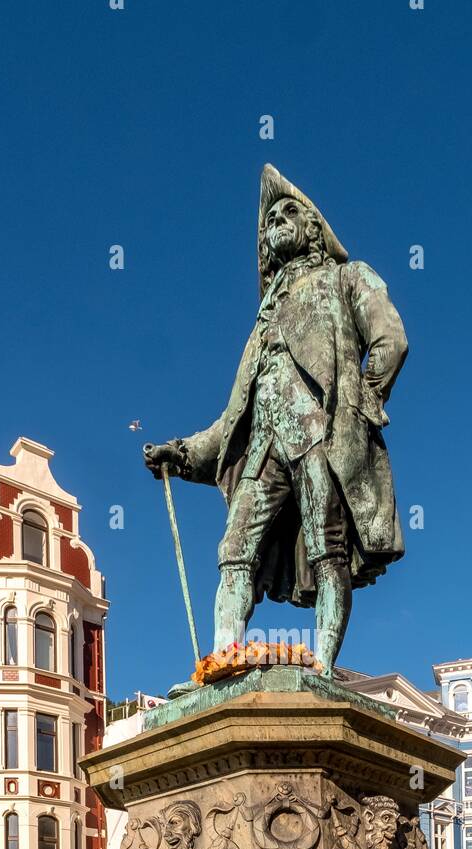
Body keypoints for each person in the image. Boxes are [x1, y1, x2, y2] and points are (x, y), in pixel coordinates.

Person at [144, 164, 408, 682]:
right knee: (233, 550)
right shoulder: (263, 322)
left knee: (327, 548)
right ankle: (221, 663)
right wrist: (183, 451)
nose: (275, 222)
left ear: (312, 227)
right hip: (265, 447)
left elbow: (390, 342)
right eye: (268, 219)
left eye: (289, 212)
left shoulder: (346, 278)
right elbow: (233, 421)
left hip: (320, 441)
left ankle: (324, 670)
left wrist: (358, 405)